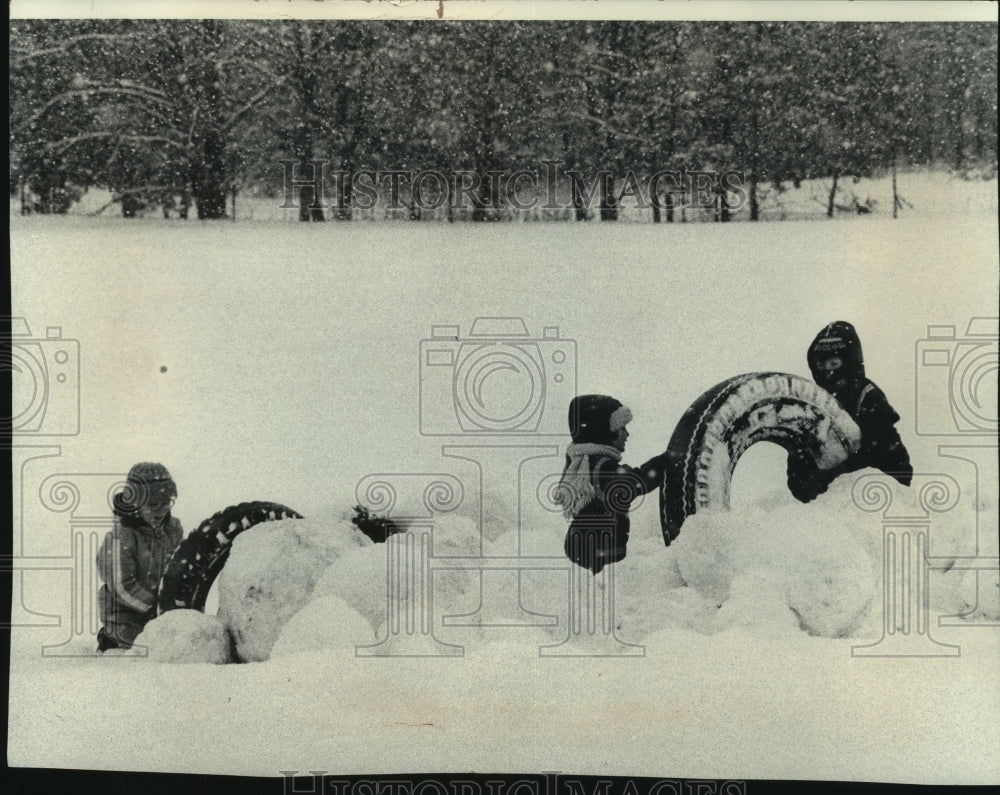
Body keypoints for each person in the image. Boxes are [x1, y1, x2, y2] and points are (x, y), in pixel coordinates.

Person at [787, 321, 913, 503]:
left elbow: (884, 451)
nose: (828, 371)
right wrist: (803, 480)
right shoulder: (814, 403)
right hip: (827, 504)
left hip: (874, 496)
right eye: (822, 365)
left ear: (848, 362)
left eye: (834, 363)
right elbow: (801, 455)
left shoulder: (868, 397)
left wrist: (839, 472)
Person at [555, 394, 669, 574]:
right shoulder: (602, 467)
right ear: (603, 431)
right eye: (621, 427)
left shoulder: (582, 462)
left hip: (585, 552)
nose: (627, 434)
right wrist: (669, 458)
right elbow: (638, 481)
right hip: (597, 556)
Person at [96, 462, 184, 651]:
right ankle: (109, 642)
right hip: (127, 625)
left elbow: (180, 569)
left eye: (166, 503)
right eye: (152, 504)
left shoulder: (173, 529)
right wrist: (159, 607)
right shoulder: (120, 538)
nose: (160, 510)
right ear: (135, 502)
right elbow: (122, 587)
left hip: (162, 618)